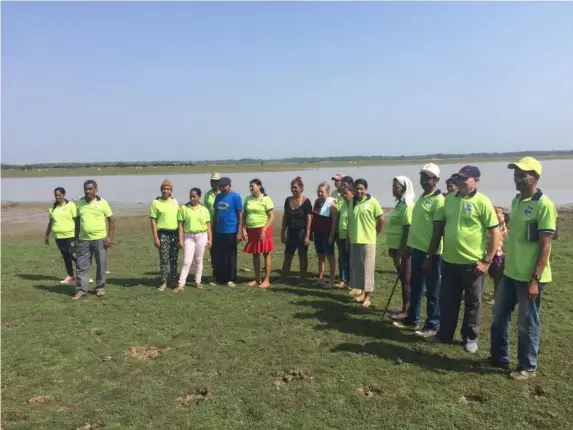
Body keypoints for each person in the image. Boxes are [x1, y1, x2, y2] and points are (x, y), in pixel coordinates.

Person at [490, 157, 557, 380]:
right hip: (510, 272)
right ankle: (500, 357)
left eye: (522, 175)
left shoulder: (544, 205)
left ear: (535, 178)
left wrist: (535, 279)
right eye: (516, 174)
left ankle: (528, 366)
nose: (517, 179)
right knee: (499, 315)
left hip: (530, 276)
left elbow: (545, 245)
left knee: (527, 323)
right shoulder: (517, 200)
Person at [426, 165, 500, 353]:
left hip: (472, 263)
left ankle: (470, 337)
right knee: (448, 300)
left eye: (464, 178)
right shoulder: (449, 200)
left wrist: (487, 261)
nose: (460, 181)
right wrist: (431, 253)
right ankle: (444, 334)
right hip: (449, 261)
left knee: (473, 302)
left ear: (476, 181)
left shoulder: (483, 202)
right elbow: (440, 229)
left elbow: (494, 232)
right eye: (458, 178)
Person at [392, 163, 444, 338]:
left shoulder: (439, 201)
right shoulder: (422, 197)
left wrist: (430, 255)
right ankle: (412, 319)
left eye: (427, 177)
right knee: (416, 287)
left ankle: (432, 325)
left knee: (432, 291)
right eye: (422, 176)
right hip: (417, 250)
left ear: (436, 180)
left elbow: (437, 232)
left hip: (432, 254)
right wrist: (409, 246)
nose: (423, 180)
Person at [72, 180, 115, 300]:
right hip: (84, 240)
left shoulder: (103, 203)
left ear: (96, 190)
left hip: (100, 239)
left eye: (90, 189)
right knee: (81, 265)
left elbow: (111, 220)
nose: (87, 191)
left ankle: (100, 287)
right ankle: (81, 290)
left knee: (101, 264)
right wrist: (76, 237)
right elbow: (77, 221)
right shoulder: (80, 203)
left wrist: (110, 237)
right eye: (85, 189)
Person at [347, 178, 384, 307]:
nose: (359, 191)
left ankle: (368, 297)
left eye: (361, 189)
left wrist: (374, 233)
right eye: (357, 188)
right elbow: (350, 222)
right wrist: (348, 237)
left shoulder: (373, 202)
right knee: (358, 270)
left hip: (368, 241)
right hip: (355, 241)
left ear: (366, 190)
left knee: (368, 269)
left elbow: (381, 220)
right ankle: (362, 293)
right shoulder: (351, 202)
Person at [386, 176, 415, 320]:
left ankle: (407, 311)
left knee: (406, 280)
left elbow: (407, 230)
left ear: (404, 189)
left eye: (396, 187)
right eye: (393, 186)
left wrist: (400, 252)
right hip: (395, 248)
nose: (393, 189)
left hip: (403, 251)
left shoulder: (407, 206)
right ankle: (405, 308)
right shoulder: (399, 204)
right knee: (403, 279)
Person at [176, 188, 212, 291]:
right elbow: (180, 225)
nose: (192, 198)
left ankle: (198, 281)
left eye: (194, 196)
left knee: (198, 260)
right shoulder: (184, 208)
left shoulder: (204, 209)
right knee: (187, 261)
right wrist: (181, 240)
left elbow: (208, 225)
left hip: (201, 236)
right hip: (189, 236)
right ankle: (181, 284)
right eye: (191, 196)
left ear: (199, 197)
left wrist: (210, 239)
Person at [242, 179, 275, 289]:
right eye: (250, 186)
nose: (251, 188)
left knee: (266, 253)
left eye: (253, 186)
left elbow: (271, 217)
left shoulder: (266, 199)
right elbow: (244, 215)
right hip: (251, 230)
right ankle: (257, 279)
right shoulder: (248, 199)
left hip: (263, 229)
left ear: (259, 186)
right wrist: (243, 229)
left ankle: (266, 279)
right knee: (255, 254)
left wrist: (264, 230)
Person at [212, 177, 243, 287]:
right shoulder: (218, 197)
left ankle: (231, 278)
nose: (222, 188)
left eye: (224, 186)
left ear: (229, 185)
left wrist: (240, 231)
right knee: (219, 255)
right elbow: (216, 214)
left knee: (231, 255)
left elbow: (240, 215)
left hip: (231, 230)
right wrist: (213, 229)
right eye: (220, 187)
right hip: (219, 230)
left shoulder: (236, 197)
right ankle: (220, 278)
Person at [280, 176, 312, 283]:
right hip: (291, 233)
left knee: (302, 256)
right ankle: (283, 277)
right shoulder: (288, 200)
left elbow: (309, 218)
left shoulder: (306, 201)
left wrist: (307, 235)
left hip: (302, 233)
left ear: (301, 188)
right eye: (292, 188)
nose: (294, 190)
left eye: (296, 188)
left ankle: (302, 278)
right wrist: (282, 231)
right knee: (288, 255)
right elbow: (285, 217)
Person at [150, 179, 180, 291]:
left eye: (168, 189)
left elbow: (179, 219)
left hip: (175, 233)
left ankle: (173, 279)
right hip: (163, 234)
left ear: (171, 191)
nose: (165, 191)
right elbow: (153, 221)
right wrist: (156, 237)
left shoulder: (175, 202)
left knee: (174, 258)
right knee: (164, 259)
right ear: (161, 190)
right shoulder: (156, 202)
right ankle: (163, 281)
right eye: (163, 189)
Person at [44, 187, 78, 284]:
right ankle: (70, 276)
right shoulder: (53, 208)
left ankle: (84, 275)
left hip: (70, 235)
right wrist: (47, 235)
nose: (58, 197)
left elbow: (77, 220)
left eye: (60, 195)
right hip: (58, 237)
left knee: (74, 255)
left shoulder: (71, 205)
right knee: (66, 256)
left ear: (64, 195)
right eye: (56, 195)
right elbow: (51, 222)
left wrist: (77, 235)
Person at [312, 182, 338, 288]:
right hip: (318, 233)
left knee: (330, 257)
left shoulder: (332, 203)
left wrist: (332, 235)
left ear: (327, 192)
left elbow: (335, 221)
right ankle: (321, 279)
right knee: (320, 256)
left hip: (327, 234)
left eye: (322, 191)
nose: (319, 193)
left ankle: (331, 280)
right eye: (318, 191)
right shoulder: (317, 202)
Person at [334, 176, 354, 289]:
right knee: (342, 257)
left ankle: (351, 281)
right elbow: (338, 217)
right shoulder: (339, 198)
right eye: (341, 185)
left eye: (344, 185)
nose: (342, 187)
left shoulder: (355, 200)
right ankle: (342, 280)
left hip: (352, 234)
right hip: (341, 233)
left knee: (352, 258)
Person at [487, 207, 509, 305]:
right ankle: (496, 294)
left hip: (496, 253)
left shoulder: (497, 220)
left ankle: (497, 296)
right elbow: (504, 234)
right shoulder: (500, 221)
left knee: (497, 275)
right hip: (494, 251)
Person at [204, 172, 220, 282]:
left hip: (222, 226)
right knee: (213, 251)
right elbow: (204, 211)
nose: (213, 183)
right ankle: (215, 273)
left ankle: (223, 273)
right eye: (212, 181)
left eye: (215, 181)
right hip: (210, 227)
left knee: (222, 251)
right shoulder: (207, 195)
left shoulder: (223, 194)